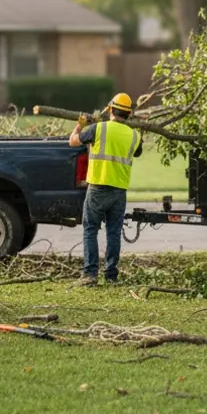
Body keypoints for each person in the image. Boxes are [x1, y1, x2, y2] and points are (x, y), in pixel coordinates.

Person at [69, 92, 143, 286]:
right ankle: (111, 276)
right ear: (128, 114)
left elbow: (73, 141)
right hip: (119, 191)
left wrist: (80, 123)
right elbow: (139, 151)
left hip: (98, 187)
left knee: (90, 229)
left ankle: (90, 275)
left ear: (110, 109)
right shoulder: (135, 136)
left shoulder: (98, 128)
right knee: (113, 232)